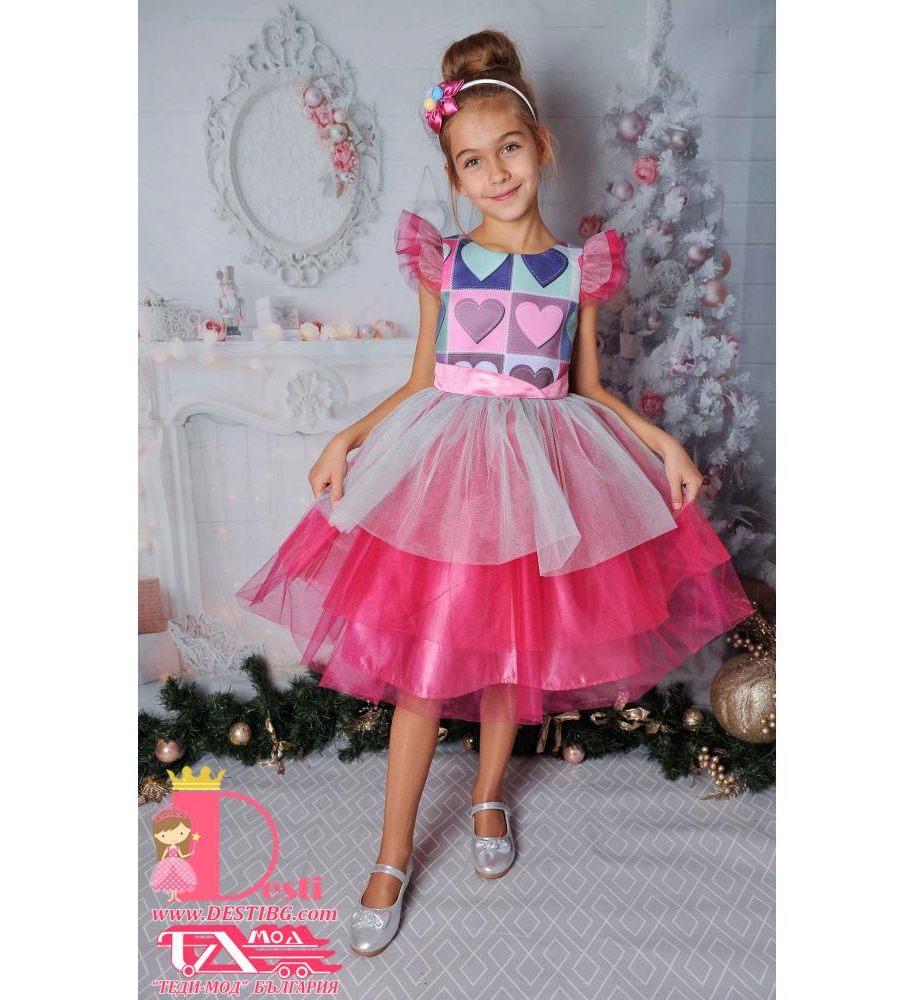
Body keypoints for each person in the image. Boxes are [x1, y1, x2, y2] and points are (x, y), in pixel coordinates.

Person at [236, 29, 754, 957]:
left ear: (542, 146)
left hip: (541, 475)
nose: (495, 173)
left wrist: (663, 443)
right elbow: (421, 378)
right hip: (447, 474)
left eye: (508, 149)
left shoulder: (576, 270)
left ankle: (485, 800)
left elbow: (589, 389)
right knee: (425, 671)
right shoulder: (446, 260)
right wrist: (349, 435)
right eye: (472, 161)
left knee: (512, 656)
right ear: (456, 176)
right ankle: (391, 855)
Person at [149, 808, 198, 903]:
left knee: (178, 879)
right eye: (163, 835)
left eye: (181, 833)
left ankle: (174, 896)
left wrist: (190, 853)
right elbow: (163, 856)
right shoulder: (167, 848)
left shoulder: (178, 847)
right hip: (168, 863)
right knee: (169, 879)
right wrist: (163, 863)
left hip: (177, 863)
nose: (173, 838)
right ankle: (172, 896)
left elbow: (182, 855)